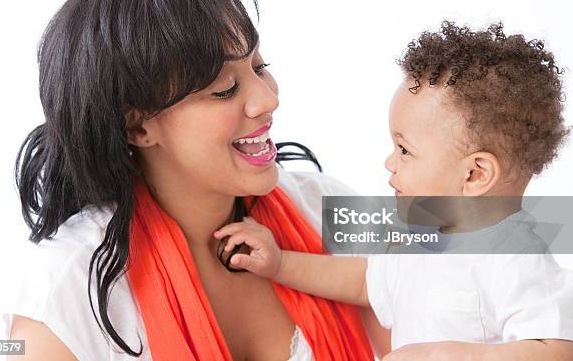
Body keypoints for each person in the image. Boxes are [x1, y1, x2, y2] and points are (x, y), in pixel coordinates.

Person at [4, 0, 382, 360]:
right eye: (224, 89)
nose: (267, 99)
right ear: (138, 127)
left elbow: (454, 227)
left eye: (260, 67)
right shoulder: (65, 290)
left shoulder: (318, 205)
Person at [215, 21, 573, 360]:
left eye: (404, 150)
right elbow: (363, 284)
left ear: (475, 174)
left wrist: (447, 354)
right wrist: (280, 264)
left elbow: (556, 351)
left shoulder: (516, 257)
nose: (390, 162)